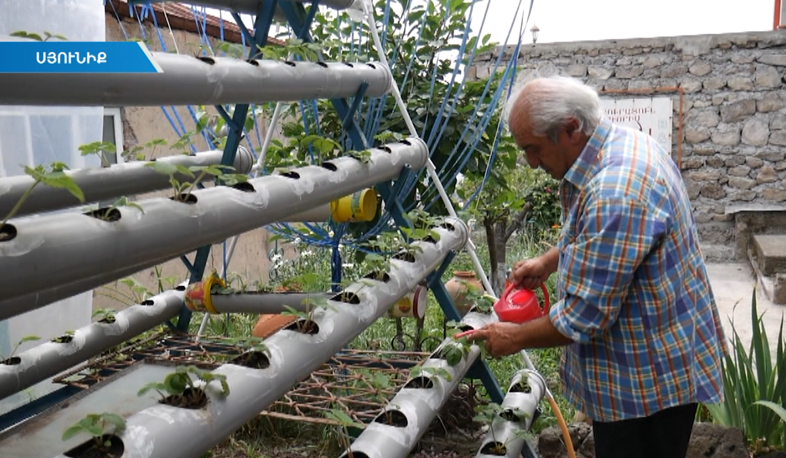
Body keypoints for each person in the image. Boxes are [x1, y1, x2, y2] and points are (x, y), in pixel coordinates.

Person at [467, 75, 726, 458]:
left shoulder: (615, 189)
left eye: (533, 149)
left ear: (570, 128)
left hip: (647, 389)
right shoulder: (620, 144)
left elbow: (583, 317)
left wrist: (514, 337)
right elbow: (602, 237)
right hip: (651, 366)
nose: (531, 162)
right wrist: (550, 260)